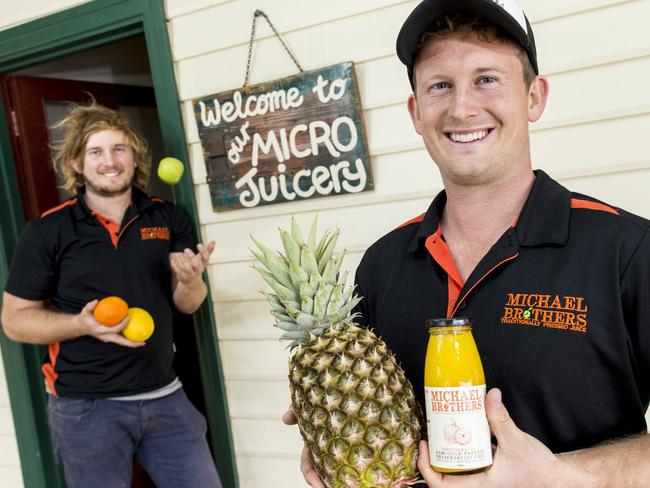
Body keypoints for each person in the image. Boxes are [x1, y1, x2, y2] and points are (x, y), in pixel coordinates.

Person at [285, 0, 650, 486]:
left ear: (534, 97)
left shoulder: (627, 250)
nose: (461, 108)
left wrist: (569, 475)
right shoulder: (381, 264)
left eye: (487, 79)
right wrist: (332, 429)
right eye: (440, 86)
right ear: (416, 112)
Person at [0, 101, 222, 487]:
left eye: (120, 149)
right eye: (95, 151)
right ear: (76, 164)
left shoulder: (167, 217)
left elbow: (187, 304)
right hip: (86, 407)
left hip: (166, 396)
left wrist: (190, 280)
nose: (110, 161)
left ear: (135, 158)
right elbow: (15, 322)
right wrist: (81, 325)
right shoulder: (47, 232)